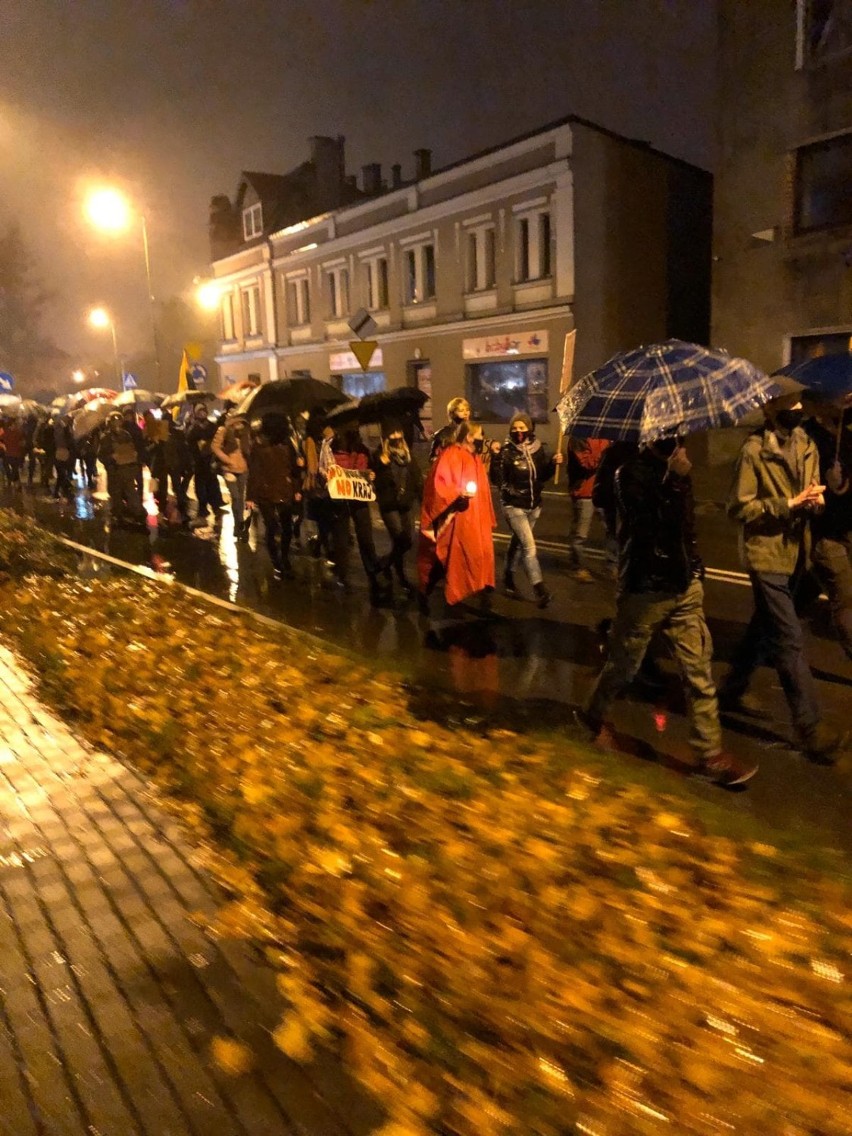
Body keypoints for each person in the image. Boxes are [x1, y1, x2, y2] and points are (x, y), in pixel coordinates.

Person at [583, 436, 757, 787]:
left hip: (685, 586)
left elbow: (683, 527)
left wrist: (695, 570)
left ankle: (710, 755)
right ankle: (592, 715)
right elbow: (645, 524)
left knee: (699, 671)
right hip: (646, 587)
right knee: (625, 665)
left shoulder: (677, 467)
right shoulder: (627, 471)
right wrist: (673, 480)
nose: (677, 438)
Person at [721, 391, 846, 763]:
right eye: (787, 405)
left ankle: (730, 689)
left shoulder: (806, 443)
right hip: (766, 554)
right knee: (789, 638)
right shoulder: (753, 450)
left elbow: (811, 492)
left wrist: (817, 499)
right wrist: (786, 505)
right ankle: (810, 728)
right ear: (769, 409)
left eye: (799, 404)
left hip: (796, 551)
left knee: (764, 626)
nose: (796, 410)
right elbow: (738, 507)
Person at [418, 419, 496, 610]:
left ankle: (483, 594)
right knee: (450, 555)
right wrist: (458, 493)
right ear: (469, 436)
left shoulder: (475, 458)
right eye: (479, 435)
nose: (482, 439)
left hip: (474, 519)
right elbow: (440, 485)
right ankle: (427, 591)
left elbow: (483, 491)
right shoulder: (452, 455)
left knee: (479, 555)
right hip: (456, 518)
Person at [489, 411, 563, 607]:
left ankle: (508, 577)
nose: (518, 431)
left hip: (534, 506)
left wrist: (554, 463)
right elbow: (497, 479)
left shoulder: (538, 450)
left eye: (522, 427)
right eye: (514, 428)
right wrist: (495, 459)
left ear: (529, 429)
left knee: (517, 543)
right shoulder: (506, 451)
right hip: (514, 506)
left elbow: (542, 477)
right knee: (529, 548)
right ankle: (540, 589)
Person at [801, 396, 852, 660]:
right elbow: (806, 486)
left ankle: (763, 637)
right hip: (826, 533)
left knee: (800, 595)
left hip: (847, 527)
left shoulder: (845, 430)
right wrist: (828, 482)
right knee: (846, 601)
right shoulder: (809, 437)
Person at [318, 425, 391, 603]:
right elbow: (323, 471)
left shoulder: (361, 450)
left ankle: (372, 576)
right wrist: (329, 478)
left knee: (365, 538)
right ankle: (344, 575)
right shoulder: (329, 449)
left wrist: (370, 474)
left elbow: (367, 470)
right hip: (339, 501)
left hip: (358, 500)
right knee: (342, 539)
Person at [371, 420, 424, 594]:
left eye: (399, 434)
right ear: (386, 438)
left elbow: (417, 481)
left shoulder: (408, 457)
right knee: (399, 539)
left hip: (405, 505)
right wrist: (380, 465)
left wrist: (423, 502)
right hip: (389, 506)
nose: (396, 437)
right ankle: (401, 576)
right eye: (392, 434)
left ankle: (385, 563)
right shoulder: (379, 456)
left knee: (408, 540)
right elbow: (372, 479)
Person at [246, 419, 300, 579]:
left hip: (281, 490)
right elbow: (255, 472)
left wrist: (296, 487)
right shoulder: (259, 446)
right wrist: (250, 496)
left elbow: (293, 469)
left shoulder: (287, 445)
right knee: (273, 526)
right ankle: (278, 560)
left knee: (284, 527)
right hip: (269, 492)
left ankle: (281, 558)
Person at [565, 436, 610, 581]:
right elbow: (587, 463)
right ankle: (577, 567)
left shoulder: (605, 436)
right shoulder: (578, 438)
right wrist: (606, 452)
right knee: (580, 534)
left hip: (603, 490)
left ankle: (612, 566)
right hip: (584, 491)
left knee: (612, 531)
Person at [97, 412, 146, 527]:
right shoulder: (106, 438)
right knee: (116, 494)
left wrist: (133, 455)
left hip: (127, 469)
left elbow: (131, 448)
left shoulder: (126, 435)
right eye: (114, 421)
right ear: (110, 423)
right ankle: (118, 516)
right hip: (114, 471)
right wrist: (111, 458)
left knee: (131, 492)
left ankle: (138, 514)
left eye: (119, 421)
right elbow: (101, 455)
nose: (117, 424)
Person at [146, 410, 191, 526]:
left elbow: (182, 450)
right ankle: (169, 512)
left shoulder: (174, 433)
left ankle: (175, 512)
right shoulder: (160, 433)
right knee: (167, 489)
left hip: (170, 465)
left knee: (172, 489)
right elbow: (150, 450)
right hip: (165, 465)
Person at [212, 414, 251, 541]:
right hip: (229, 469)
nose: (239, 424)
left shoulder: (246, 432)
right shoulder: (224, 431)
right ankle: (239, 523)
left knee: (241, 498)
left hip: (243, 469)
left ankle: (238, 525)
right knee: (235, 496)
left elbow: (249, 449)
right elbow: (215, 447)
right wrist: (227, 460)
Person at [185, 403, 224, 527]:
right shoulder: (193, 427)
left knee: (213, 485)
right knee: (200, 488)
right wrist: (188, 425)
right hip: (199, 462)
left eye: (203, 410)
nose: (202, 413)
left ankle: (217, 508)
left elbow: (218, 440)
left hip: (210, 460)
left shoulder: (212, 426)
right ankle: (203, 512)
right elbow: (189, 441)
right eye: (199, 411)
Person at [429, 397, 471, 462]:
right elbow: (432, 457)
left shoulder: (473, 431)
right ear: (452, 413)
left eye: (467, 410)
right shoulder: (442, 434)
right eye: (461, 410)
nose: (466, 413)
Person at [52, 415, 75, 500]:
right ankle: (63, 491)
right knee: (62, 474)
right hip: (64, 452)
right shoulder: (66, 430)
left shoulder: (57, 429)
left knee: (62, 474)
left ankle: (61, 491)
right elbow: (69, 442)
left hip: (59, 452)